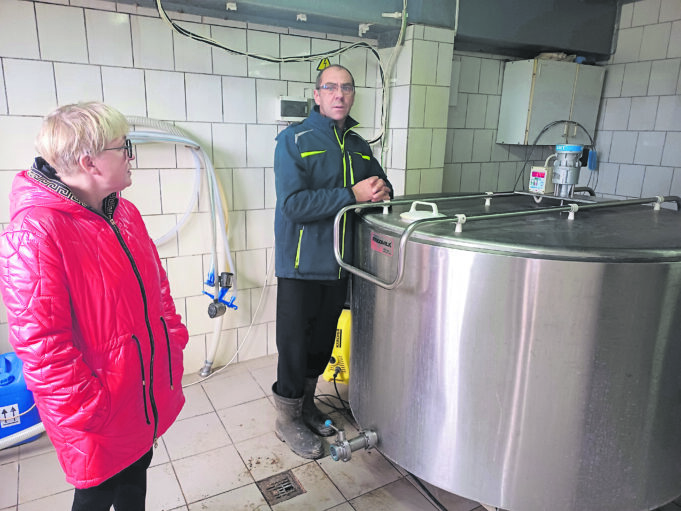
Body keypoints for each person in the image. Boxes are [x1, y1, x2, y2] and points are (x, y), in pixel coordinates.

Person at [0, 102, 189, 511]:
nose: (131, 156)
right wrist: (90, 408)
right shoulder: (33, 233)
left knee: (137, 471)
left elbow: (157, 285)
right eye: (124, 147)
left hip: (137, 389)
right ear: (90, 162)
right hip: (98, 408)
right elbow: (41, 347)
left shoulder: (123, 212)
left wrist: (172, 340)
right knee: (96, 495)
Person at [272, 64, 393, 459]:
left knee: (322, 342)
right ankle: (286, 418)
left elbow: (380, 187)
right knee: (294, 345)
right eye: (331, 87)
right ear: (317, 95)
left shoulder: (358, 145)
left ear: (353, 95)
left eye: (346, 87)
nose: (339, 94)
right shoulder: (294, 140)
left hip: (341, 262)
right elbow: (293, 205)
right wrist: (351, 194)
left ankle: (306, 405)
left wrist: (382, 190)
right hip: (301, 262)